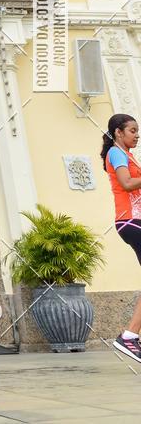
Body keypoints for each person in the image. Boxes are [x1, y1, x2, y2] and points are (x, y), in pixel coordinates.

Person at [101, 113, 141, 361]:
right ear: (118, 132)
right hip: (130, 221)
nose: (137, 135)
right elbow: (126, 183)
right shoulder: (116, 153)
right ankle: (129, 335)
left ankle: (131, 335)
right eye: (133, 130)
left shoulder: (127, 155)